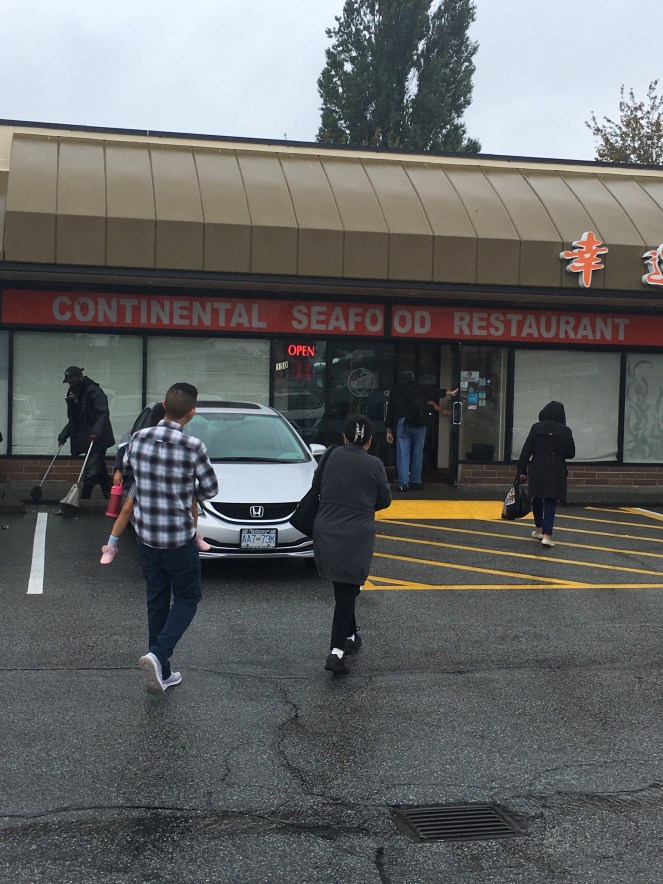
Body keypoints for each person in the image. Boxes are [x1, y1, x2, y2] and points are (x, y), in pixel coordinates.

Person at [122, 382, 218, 694]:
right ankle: (158, 655)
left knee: (157, 600)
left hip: (147, 535)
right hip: (178, 538)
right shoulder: (193, 447)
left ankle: (161, 670)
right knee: (188, 597)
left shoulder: (138, 438)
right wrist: (187, 488)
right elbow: (211, 489)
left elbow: (128, 471)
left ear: (163, 406)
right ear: (192, 412)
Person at [313, 414, 392, 675]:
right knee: (347, 592)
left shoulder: (330, 456)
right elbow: (384, 500)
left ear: (344, 437)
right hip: (357, 533)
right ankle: (336, 652)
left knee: (345, 589)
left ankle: (351, 636)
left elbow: (316, 485)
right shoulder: (375, 465)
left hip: (326, 529)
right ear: (369, 441)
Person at [99, 402, 211, 564]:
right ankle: (111, 544)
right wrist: (118, 469)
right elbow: (124, 449)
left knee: (192, 502)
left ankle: (194, 536)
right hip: (145, 481)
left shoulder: (181, 439)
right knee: (127, 509)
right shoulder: (143, 436)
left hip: (169, 480)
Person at [385, 371, 458, 491]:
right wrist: (449, 392)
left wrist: (389, 430)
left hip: (402, 423)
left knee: (403, 453)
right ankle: (416, 481)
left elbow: (390, 412)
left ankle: (403, 483)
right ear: (413, 380)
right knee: (418, 453)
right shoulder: (419, 388)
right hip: (419, 423)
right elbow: (434, 392)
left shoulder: (395, 391)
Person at [517, 400, 576, 549]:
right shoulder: (565, 431)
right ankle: (547, 536)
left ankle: (538, 529)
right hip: (556, 469)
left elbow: (526, 450)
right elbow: (571, 453)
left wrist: (522, 470)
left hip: (537, 468)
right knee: (550, 501)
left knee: (537, 498)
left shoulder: (536, 428)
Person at [58, 366, 115, 499]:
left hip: (98, 438)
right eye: (69, 383)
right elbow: (74, 419)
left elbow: (103, 413)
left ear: (79, 378)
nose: (70, 385)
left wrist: (96, 431)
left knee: (90, 473)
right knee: (99, 470)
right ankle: (111, 497)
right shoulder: (73, 393)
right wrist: (64, 435)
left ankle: (84, 500)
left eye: (72, 382)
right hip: (86, 437)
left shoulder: (94, 391)